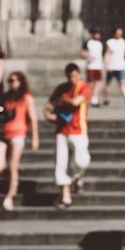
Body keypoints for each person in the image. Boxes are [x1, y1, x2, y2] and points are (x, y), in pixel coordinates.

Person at [45, 63, 92, 208]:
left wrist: (62, 100)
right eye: (70, 76)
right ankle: (65, 196)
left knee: (81, 161)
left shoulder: (84, 87)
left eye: (75, 75)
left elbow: (75, 102)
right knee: (61, 163)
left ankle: (78, 177)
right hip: (62, 130)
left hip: (79, 130)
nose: (72, 78)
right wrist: (49, 116)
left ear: (79, 74)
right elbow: (48, 105)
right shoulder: (61, 89)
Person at [0, 70, 39, 211]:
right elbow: (0, 113)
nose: (10, 83)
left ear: (20, 82)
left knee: (12, 165)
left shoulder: (26, 98)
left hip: (18, 134)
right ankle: (14, 179)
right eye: (9, 80)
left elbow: (33, 120)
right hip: (3, 134)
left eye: (13, 80)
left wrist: (35, 137)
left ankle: (9, 196)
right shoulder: (6, 97)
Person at [103, 26, 125, 105]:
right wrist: (107, 65)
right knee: (108, 83)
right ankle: (106, 99)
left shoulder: (123, 41)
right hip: (112, 66)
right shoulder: (110, 42)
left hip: (120, 66)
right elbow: (107, 54)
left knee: (122, 82)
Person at [82, 27, 105, 106]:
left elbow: (101, 56)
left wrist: (102, 66)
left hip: (98, 66)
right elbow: (82, 53)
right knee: (89, 84)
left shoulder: (100, 44)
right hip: (90, 66)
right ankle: (86, 98)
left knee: (97, 83)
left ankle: (94, 100)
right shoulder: (88, 43)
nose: (98, 35)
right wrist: (88, 56)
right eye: (96, 33)